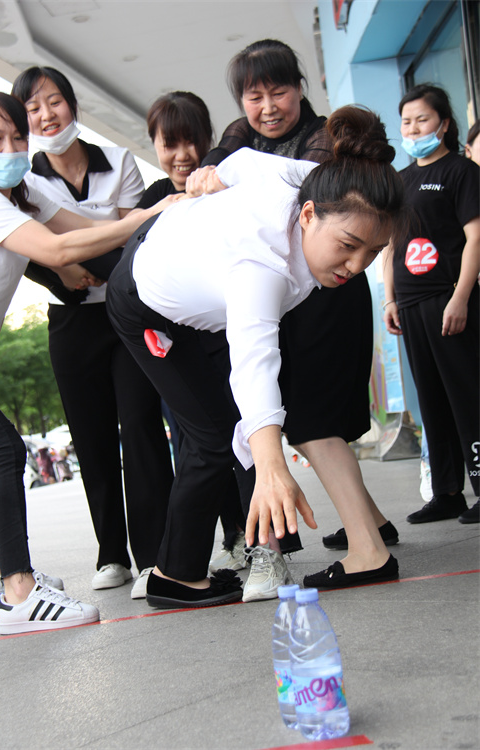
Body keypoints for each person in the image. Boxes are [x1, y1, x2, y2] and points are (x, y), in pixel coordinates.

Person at [106, 104, 405, 610]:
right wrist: (270, 465)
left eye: (373, 253)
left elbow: (244, 161)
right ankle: (173, 576)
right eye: (349, 245)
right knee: (213, 433)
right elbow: (254, 362)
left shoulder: (317, 182)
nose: (356, 266)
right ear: (308, 215)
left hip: (199, 284)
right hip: (145, 300)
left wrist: (217, 177)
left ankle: (219, 561)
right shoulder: (261, 268)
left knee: (227, 425)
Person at [201, 39, 399, 599]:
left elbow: (247, 174)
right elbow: (220, 167)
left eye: (279, 91)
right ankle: (372, 525)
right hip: (288, 295)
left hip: (328, 291)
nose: (268, 107)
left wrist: (230, 171)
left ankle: (369, 550)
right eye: (254, 96)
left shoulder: (324, 140)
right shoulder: (237, 139)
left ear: (301, 89)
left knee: (312, 420)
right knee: (308, 418)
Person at [0, 90, 156, 634]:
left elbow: (79, 233)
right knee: (1, 449)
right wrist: (148, 215)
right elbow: (57, 251)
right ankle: (19, 593)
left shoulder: (21, 191)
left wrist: (150, 237)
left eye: (17, 138)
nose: (9, 149)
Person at [12, 67, 175, 598]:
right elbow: (30, 250)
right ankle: (112, 554)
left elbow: (134, 240)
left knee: (142, 426)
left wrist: (74, 256)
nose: (46, 115)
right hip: (72, 320)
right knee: (92, 436)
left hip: (127, 313)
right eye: (33, 108)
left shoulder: (119, 161)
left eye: (54, 101)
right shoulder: (24, 180)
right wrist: (61, 270)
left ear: (73, 104)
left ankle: (154, 554)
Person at [383, 84, 479, 526]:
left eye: (422, 119)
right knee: (431, 399)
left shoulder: (462, 171)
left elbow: (475, 238)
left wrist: (461, 297)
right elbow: (390, 245)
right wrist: (389, 298)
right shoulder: (400, 181)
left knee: (467, 394)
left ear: (443, 124)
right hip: (410, 304)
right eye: (406, 121)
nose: (413, 128)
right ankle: (447, 492)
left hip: (448, 299)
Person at [134, 90, 216, 467]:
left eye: (191, 141)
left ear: (208, 140)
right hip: (173, 346)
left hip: (222, 340)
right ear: (154, 144)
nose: (182, 155)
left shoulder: (225, 187)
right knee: (189, 442)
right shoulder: (155, 197)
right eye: (170, 144)